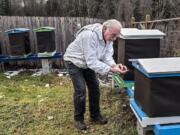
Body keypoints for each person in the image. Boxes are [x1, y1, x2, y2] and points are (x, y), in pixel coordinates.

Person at [63, 19, 128, 130]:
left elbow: (107, 56)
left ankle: (95, 116)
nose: (115, 38)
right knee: (81, 90)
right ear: (105, 28)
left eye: (116, 36)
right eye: (113, 35)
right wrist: (111, 70)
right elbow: (92, 62)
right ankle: (78, 119)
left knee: (95, 88)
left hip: (87, 63)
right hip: (74, 61)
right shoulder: (89, 36)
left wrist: (114, 65)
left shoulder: (109, 38)